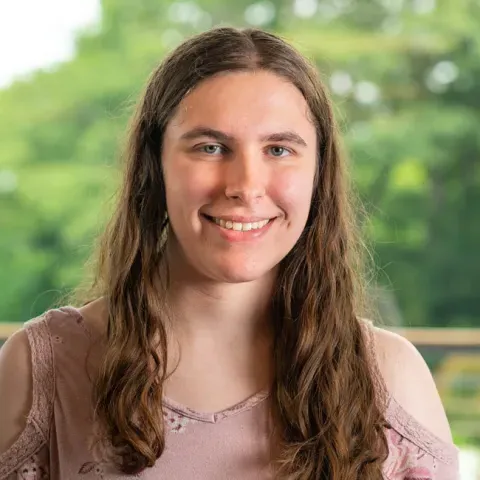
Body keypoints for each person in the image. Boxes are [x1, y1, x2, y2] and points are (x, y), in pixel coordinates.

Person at [0, 26, 459, 480]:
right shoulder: (41, 370)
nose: (245, 186)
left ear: (319, 174)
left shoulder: (391, 380)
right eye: (211, 147)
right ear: (153, 166)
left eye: (279, 149)